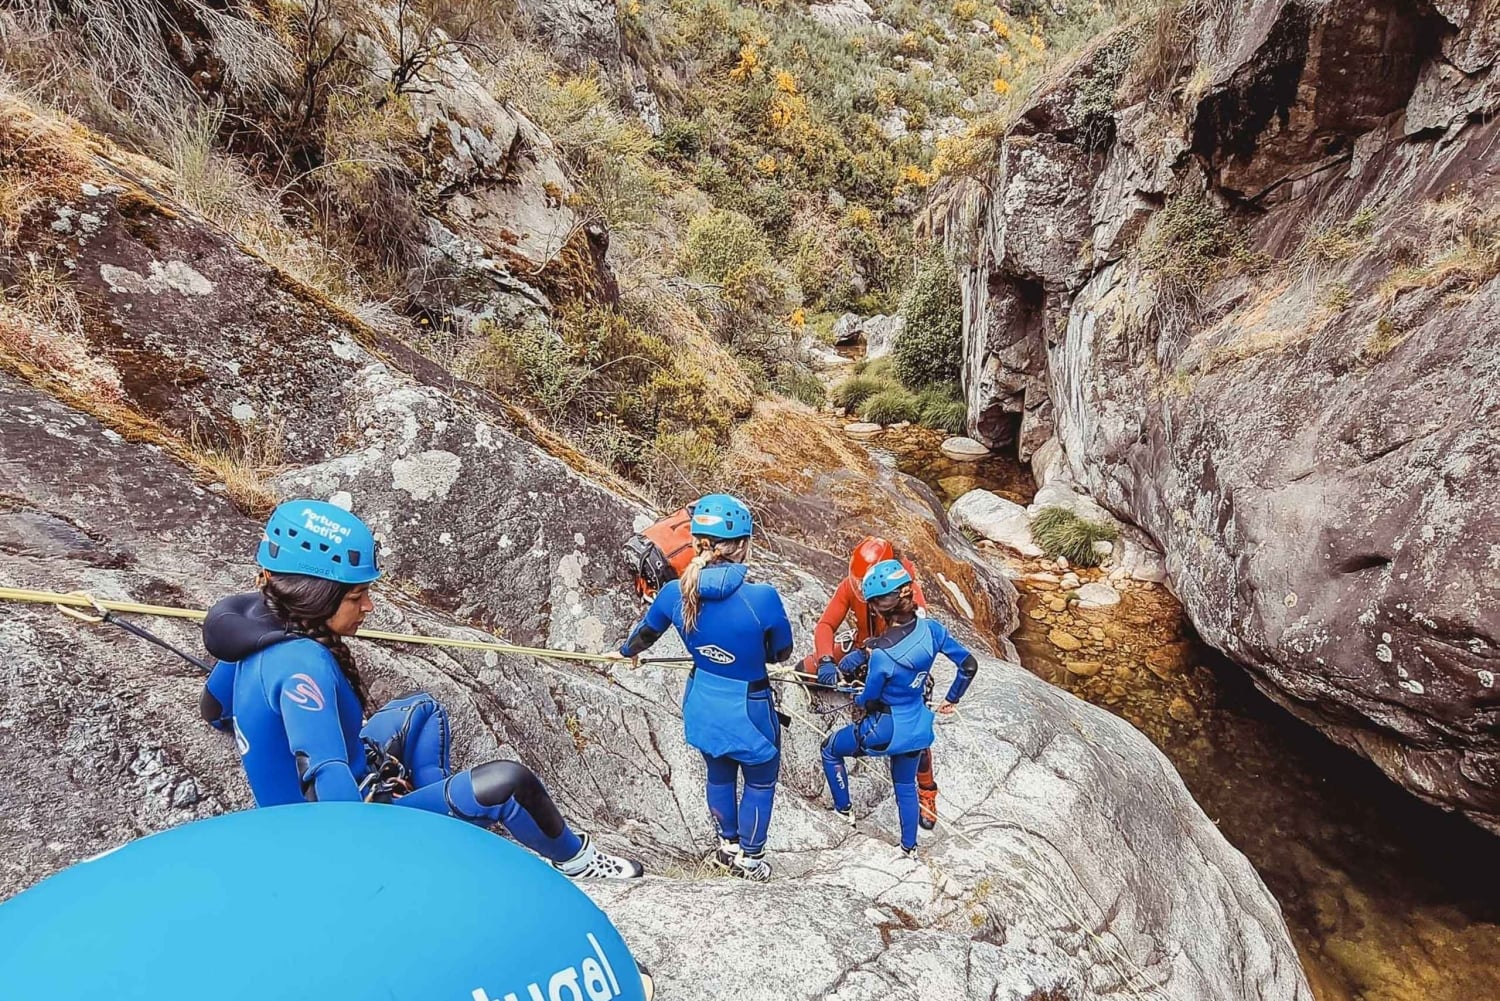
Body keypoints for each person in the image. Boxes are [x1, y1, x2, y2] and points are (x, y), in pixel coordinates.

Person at [199, 498, 643, 881]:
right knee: (508, 783)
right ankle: (575, 860)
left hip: (343, 795)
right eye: (356, 598)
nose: (368, 607)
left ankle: (438, 808)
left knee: (422, 709)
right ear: (316, 596)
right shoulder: (303, 664)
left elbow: (215, 710)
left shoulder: (256, 633)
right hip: (343, 829)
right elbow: (329, 784)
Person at [613, 493, 793, 882]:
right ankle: (750, 860)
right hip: (749, 705)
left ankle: (728, 847)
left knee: (719, 775)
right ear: (742, 545)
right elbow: (780, 653)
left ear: (695, 542)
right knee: (760, 783)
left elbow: (642, 636)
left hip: (703, 700)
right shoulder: (761, 598)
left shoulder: (672, 593)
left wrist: (626, 653)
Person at [820, 559, 978, 858]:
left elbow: (868, 699)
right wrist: (952, 699)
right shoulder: (933, 630)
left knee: (830, 749)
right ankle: (909, 848)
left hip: (884, 729)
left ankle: (844, 813)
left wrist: (855, 692)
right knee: (905, 785)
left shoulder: (881, 656)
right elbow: (969, 665)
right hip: (918, 725)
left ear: (879, 608)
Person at [800, 536, 943, 832]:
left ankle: (927, 790)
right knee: (806, 670)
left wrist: (866, 654)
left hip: (895, 661)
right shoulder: (852, 585)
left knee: (915, 732)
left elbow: (912, 640)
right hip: (863, 648)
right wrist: (827, 659)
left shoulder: (908, 592)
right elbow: (826, 624)